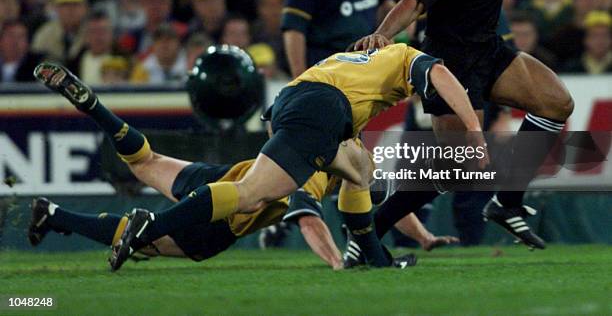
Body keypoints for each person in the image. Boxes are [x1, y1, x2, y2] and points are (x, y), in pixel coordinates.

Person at [36, 37, 485, 271]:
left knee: (146, 161)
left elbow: (363, 185)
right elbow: (306, 210)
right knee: (242, 200)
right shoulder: (407, 62)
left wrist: (419, 239)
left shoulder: (352, 92)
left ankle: (63, 187)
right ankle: (148, 225)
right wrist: (475, 131)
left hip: (279, 119)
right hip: (230, 208)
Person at [355, 0, 574, 250]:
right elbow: (414, 3)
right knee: (461, 167)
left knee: (557, 103)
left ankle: (506, 203)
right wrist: (383, 33)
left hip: (489, 49)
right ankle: (369, 231)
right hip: (448, 62)